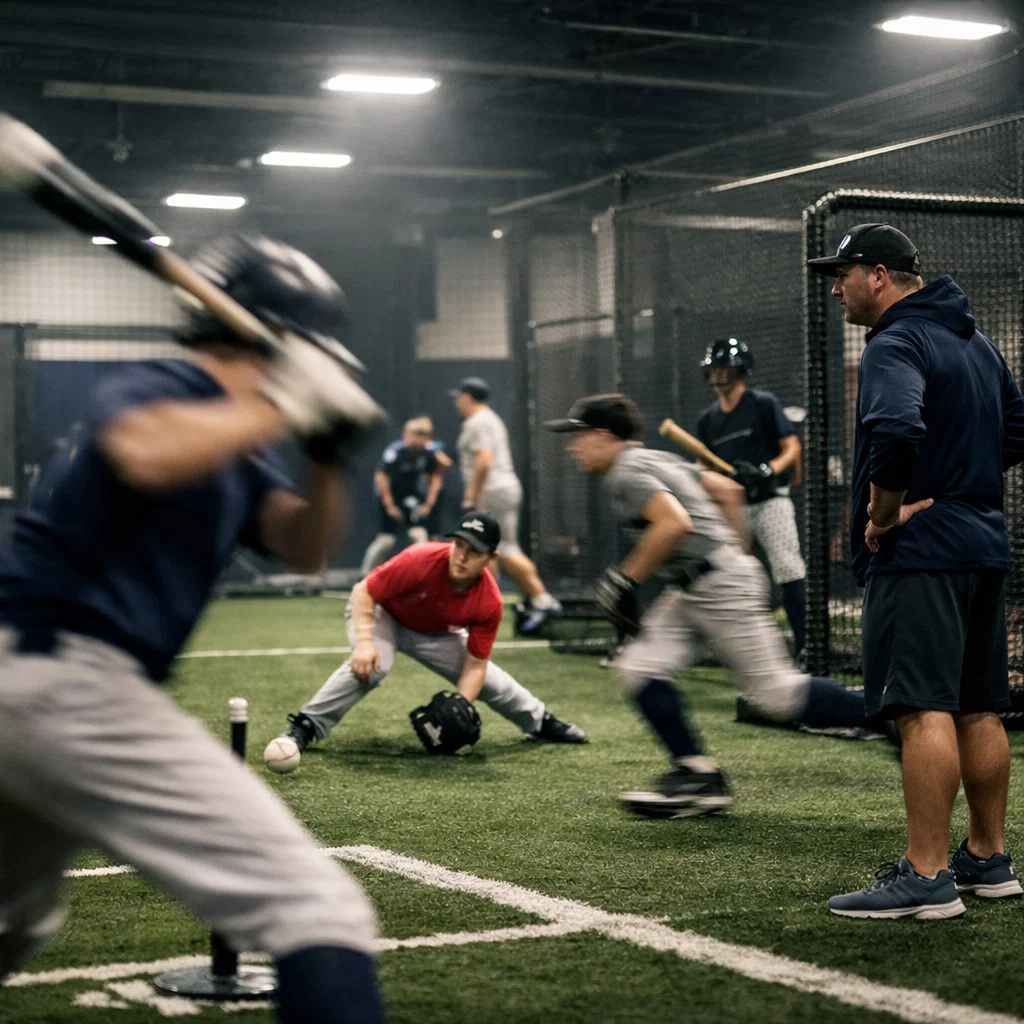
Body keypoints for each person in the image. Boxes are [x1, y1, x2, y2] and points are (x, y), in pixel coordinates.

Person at [0, 235, 388, 1021]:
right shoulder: (166, 388)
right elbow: (143, 452)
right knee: (317, 909)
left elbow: (303, 545)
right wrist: (283, 403)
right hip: (64, 678)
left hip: (34, 691)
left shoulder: (235, 446)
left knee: (13, 920)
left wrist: (324, 454)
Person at [808, 222, 1024, 918]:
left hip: (923, 554)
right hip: (983, 545)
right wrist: (962, 478)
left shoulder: (894, 340)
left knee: (921, 706)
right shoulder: (977, 341)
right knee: (979, 705)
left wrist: (883, 515)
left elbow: (897, 428)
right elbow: (1017, 430)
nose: (836, 289)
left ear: (878, 276)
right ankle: (987, 859)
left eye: (842, 275)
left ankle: (927, 876)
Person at [546, 394, 874, 819]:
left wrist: (625, 579)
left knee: (777, 695)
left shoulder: (626, 472)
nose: (572, 447)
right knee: (639, 667)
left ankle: (887, 714)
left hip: (716, 584)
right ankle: (698, 776)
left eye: (578, 435)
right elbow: (728, 491)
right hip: (698, 584)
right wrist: (733, 554)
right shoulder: (657, 459)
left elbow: (674, 523)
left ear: (603, 435)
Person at [270, 511, 587, 766]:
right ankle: (305, 726)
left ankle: (541, 722)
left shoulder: (489, 601)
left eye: (473, 551)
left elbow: (476, 665)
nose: (461, 556)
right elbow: (363, 591)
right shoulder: (420, 558)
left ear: (491, 557)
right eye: (459, 545)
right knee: (374, 665)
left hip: (433, 632)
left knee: (491, 680)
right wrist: (365, 642)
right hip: (382, 615)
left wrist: (461, 705)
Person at [696, 339, 807, 662]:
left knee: (788, 568)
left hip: (770, 500)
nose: (720, 376)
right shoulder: (707, 420)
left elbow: (792, 448)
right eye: (715, 370)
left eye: (726, 369)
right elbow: (704, 466)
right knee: (735, 578)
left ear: (741, 371)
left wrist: (766, 470)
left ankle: (806, 648)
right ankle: (746, 654)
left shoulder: (762, 404)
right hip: (734, 508)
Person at [451, 377, 561, 633]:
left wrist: (471, 497)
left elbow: (484, 461)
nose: (457, 402)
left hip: (491, 491)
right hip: (499, 490)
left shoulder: (478, 422)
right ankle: (492, 604)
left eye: (458, 397)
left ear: (466, 397)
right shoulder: (487, 419)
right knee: (494, 548)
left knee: (502, 548)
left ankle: (541, 600)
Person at [359, 416, 450, 575]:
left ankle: (421, 575)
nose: (419, 439)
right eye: (416, 435)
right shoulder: (395, 451)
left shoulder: (429, 452)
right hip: (391, 498)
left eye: (423, 435)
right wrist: (389, 505)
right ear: (406, 435)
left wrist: (428, 504)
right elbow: (381, 476)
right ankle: (364, 575)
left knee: (419, 535)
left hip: (412, 500)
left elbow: (438, 474)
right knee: (386, 540)